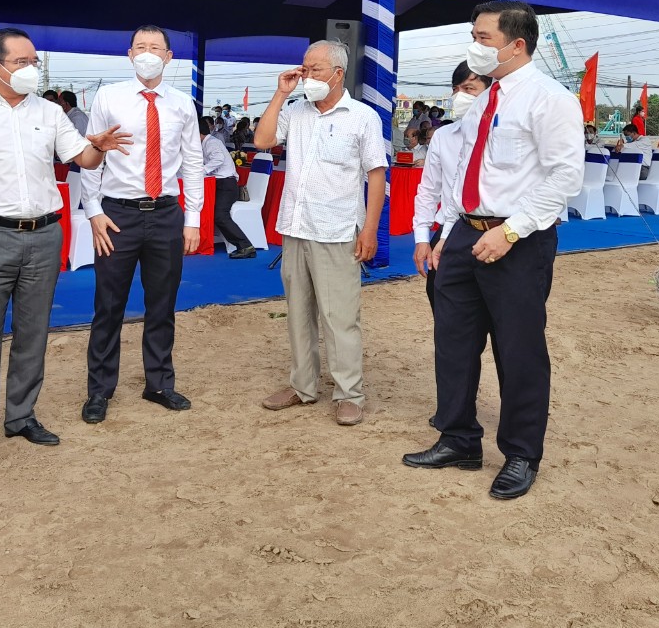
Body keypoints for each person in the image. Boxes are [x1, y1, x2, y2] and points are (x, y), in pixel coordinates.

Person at [0, 30, 132, 471]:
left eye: (34, 61)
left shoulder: (51, 113)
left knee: (34, 332)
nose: (32, 69)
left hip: (45, 235)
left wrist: (99, 149)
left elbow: (81, 160)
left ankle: (21, 415)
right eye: (22, 62)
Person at [403, 0, 583, 501]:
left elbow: (564, 175)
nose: (474, 46)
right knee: (453, 342)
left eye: (482, 38)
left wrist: (511, 231)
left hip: (517, 240)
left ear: (516, 44)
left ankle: (522, 453)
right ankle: (458, 437)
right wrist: (443, 235)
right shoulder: (485, 100)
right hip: (464, 234)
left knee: (518, 347)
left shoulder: (550, 99)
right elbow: (464, 170)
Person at [255, 40, 387, 427]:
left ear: (338, 74)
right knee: (298, 313)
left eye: (315, 70)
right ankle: (303, 386)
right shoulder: (295, 111)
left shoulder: (362, 117)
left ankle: (350, 394)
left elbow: (376, 175)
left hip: (337, 229)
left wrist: (371, 230)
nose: (306, 76)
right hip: (295, 228)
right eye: (304, 68)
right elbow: (263, 141)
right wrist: (281, 94)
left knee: (339, 317)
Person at [79, 25, 204, 424]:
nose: (148, 53)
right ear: (129, 53)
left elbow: (194, 162)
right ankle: (99, 390)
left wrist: (193, 218)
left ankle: (159, 383)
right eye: (141, 47)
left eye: (156, 48)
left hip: (166, 213)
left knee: (162, 304)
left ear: (169, 57)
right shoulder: (108, 96)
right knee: (108, 305)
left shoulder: (183, 104)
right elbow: (92, 152)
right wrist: (94, 210)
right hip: (118, 215)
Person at [412, 62, 493, 310]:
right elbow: (428, 189)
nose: (461, 96)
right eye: (456, 89)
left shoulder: (505, 135)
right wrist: (422, 238)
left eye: (470, 88)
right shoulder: (443, 137)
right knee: (447, 314)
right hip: (451, 232)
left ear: (491, 90)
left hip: (495, 232)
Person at [199, 116, 257, 259]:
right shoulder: (207, 143)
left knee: (220, 215)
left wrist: (203, 170)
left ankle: (246, 246)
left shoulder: (212, 143)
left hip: (226, 184)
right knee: (209, 211)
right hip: (221, 183)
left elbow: (218, 159)